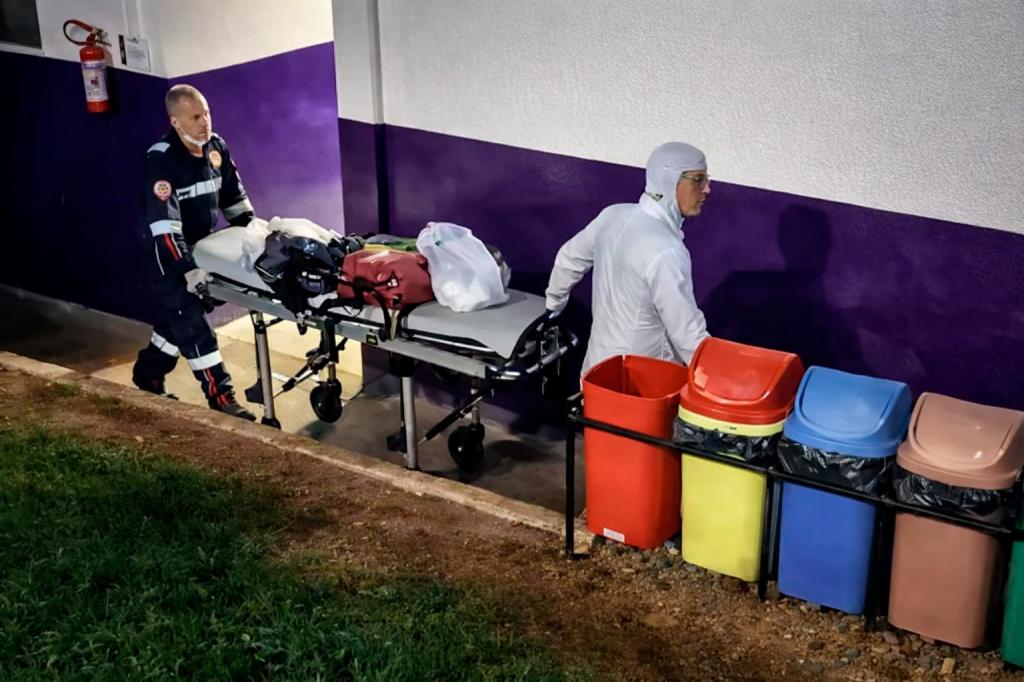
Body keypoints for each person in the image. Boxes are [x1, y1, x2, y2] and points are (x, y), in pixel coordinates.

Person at [131, 84, 257, 421]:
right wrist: (187, 269)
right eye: (195, 117)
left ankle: (147, 375)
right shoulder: (161, 159)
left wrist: (255, 238)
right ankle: (222, 398)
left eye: (207, 114)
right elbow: (164, 227)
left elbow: (235, 202)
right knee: (194, 328)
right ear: (176, 122)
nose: (205, 123)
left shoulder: (216, 148)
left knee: (177, 322)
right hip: (168, 256)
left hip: (201, 251)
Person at [545, 141, 711, 374]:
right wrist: (718, 377)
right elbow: (688, 335)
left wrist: (552, 308)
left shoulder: (613, 215)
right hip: (640, 385)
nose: (707, 189)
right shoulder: (667, 251)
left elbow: (568, 259)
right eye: (698, 180)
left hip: (595, 373)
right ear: (670, 181)